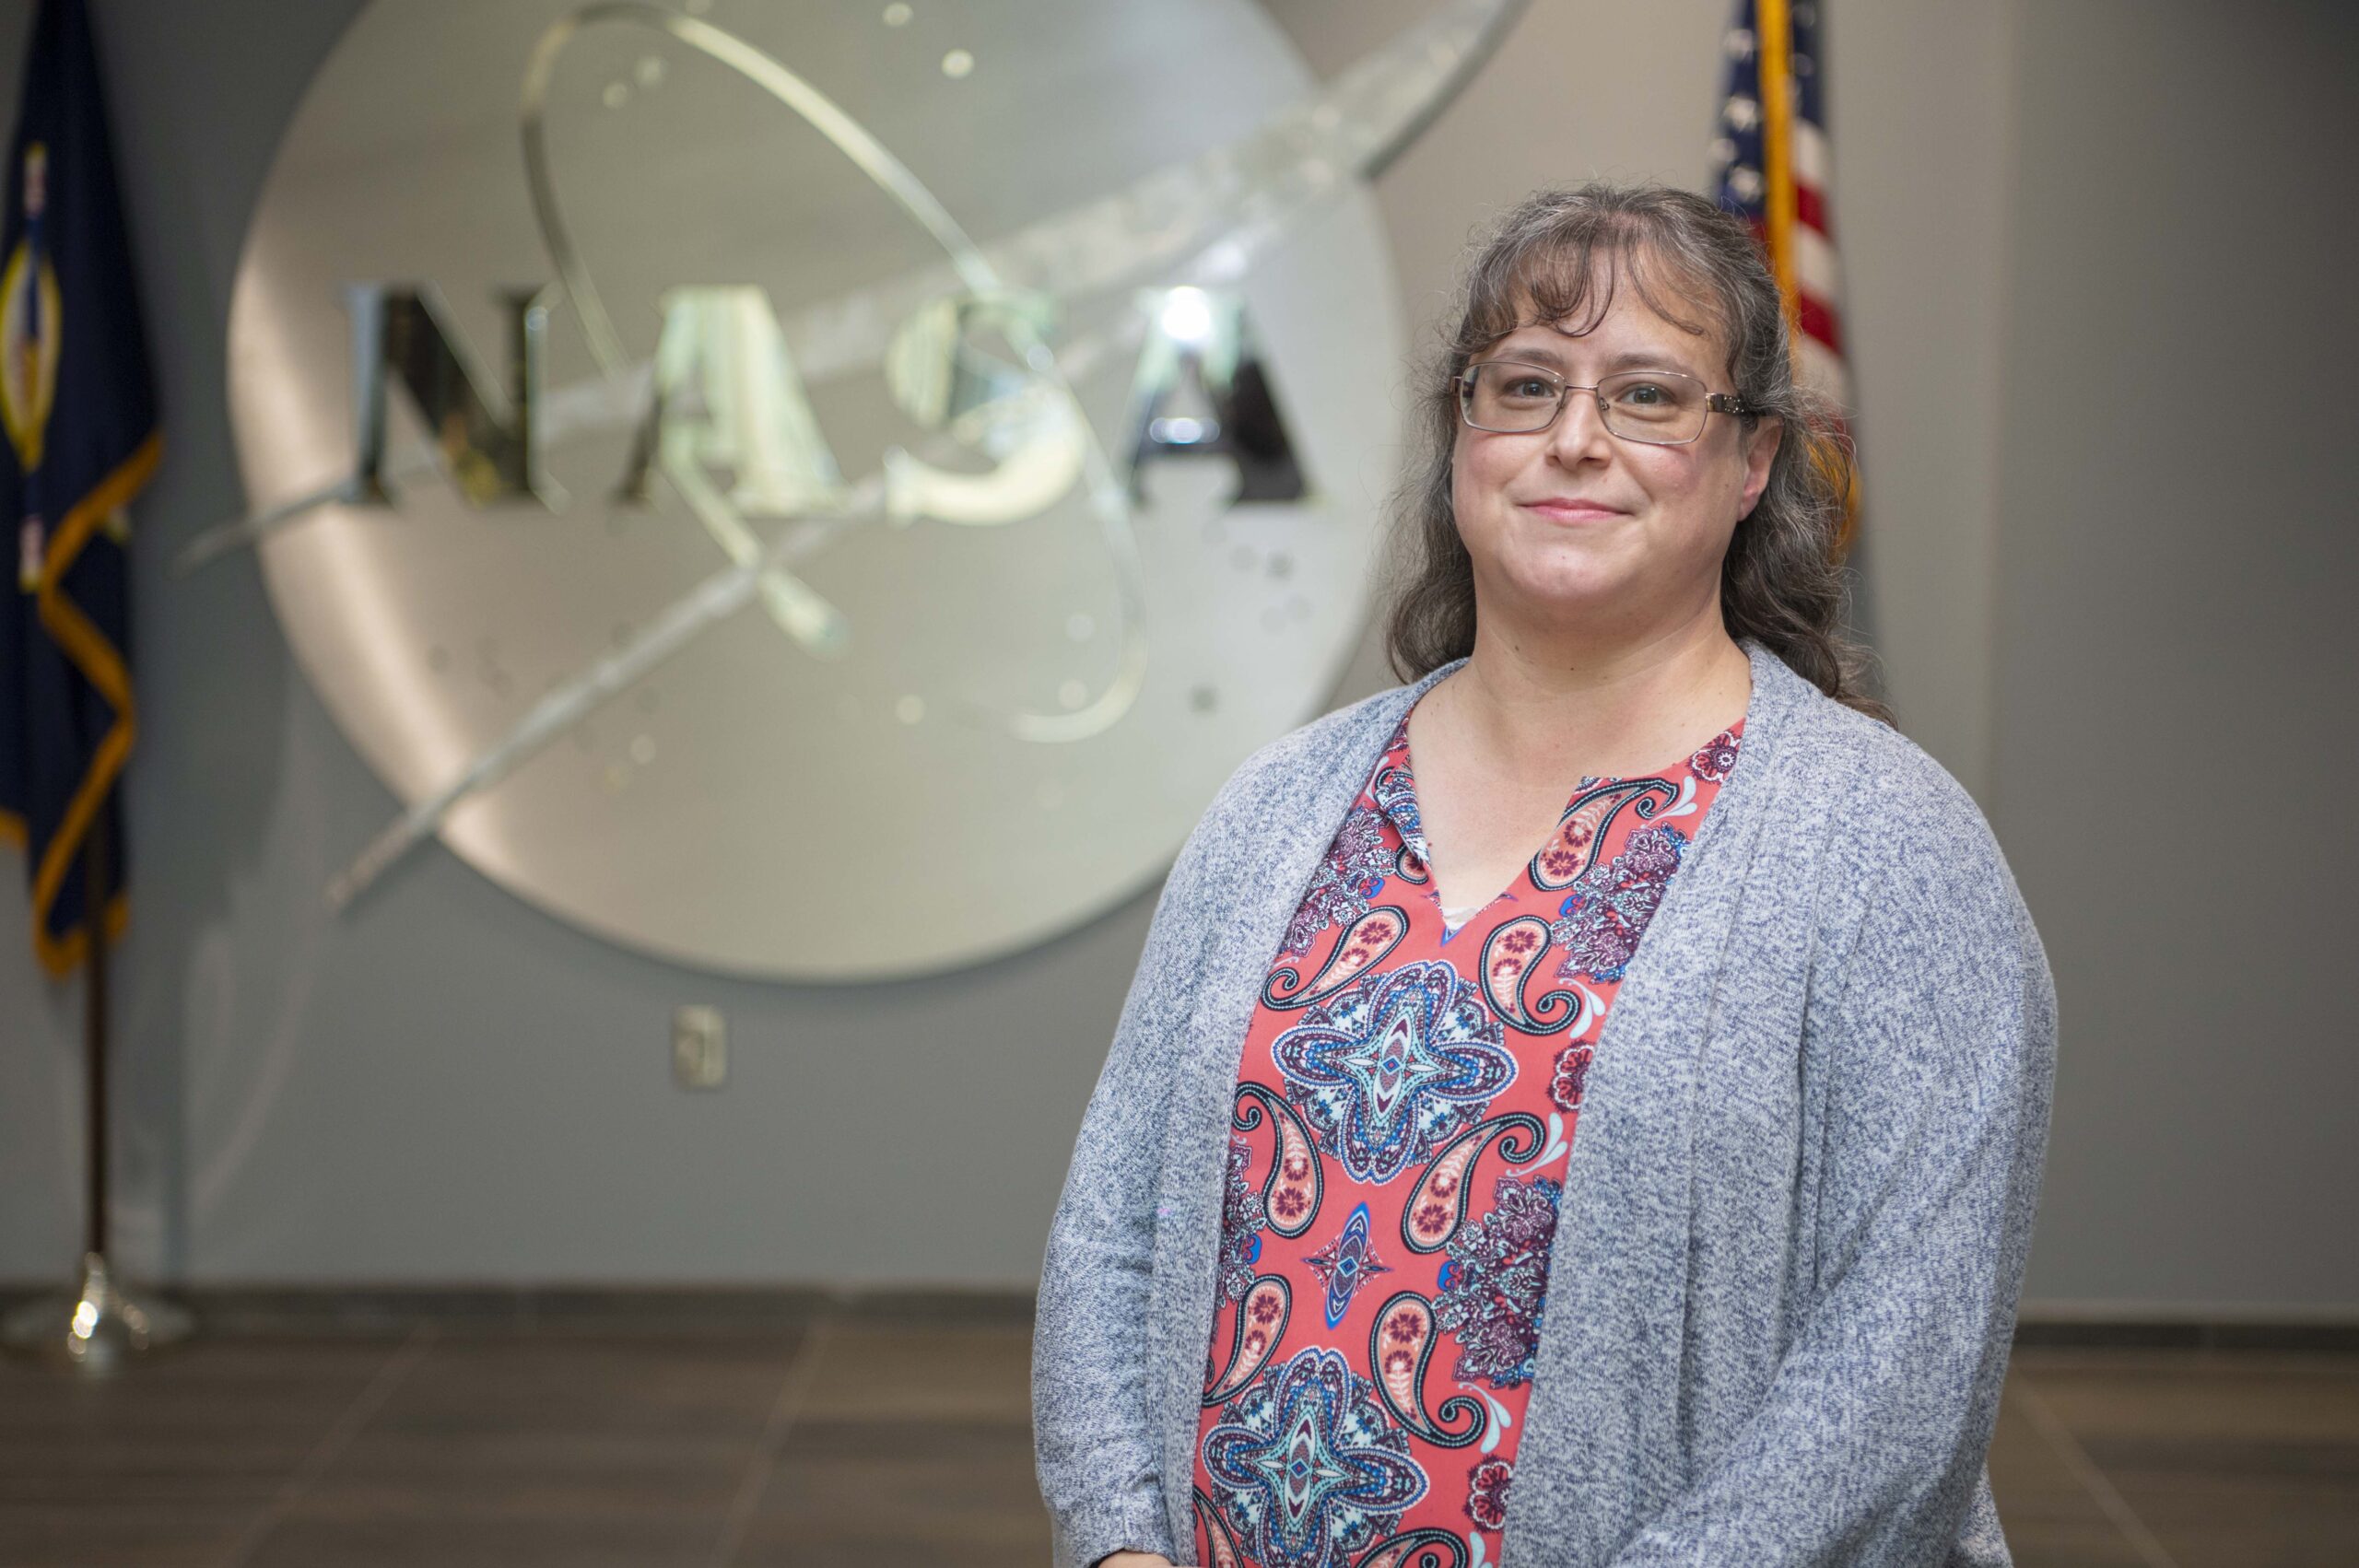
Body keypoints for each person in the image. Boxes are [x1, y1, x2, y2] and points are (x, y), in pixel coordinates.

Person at [1032, 182, 2055, 1568]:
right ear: (1462, 434)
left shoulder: (1890, 848)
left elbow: (1901, 1378)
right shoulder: (1277, 806)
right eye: (1526, 385)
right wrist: (1119, 1544)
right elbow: (1113, 1229)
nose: (1576, 437)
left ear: (1752, 460)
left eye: (1648, 396)